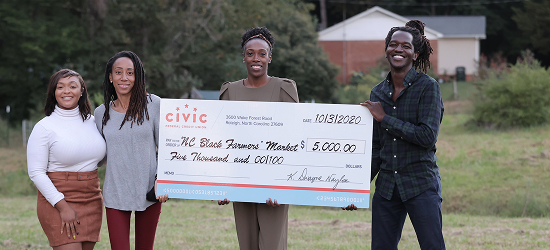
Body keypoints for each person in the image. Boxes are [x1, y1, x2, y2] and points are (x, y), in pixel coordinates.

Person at [359, 20, 446, 249]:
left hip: (420, 184)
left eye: (405, 46)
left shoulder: (428, 87)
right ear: (386, 49)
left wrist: (385, 118)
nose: (399, 49)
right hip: (387, 188)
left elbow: (427, 137)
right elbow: (377, 148)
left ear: (415, 54)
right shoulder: (378, 92)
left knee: (432, 246)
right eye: (393, 44)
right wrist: (355, 187)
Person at [218, 27, 299, 250]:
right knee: (247, 245)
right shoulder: (229, 92)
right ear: (243, 56)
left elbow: (292, 139)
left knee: (272, 246)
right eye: (250, 53)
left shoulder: (284, 89)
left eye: (262, 54)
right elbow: (222, 142)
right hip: (240, 183)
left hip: (274, 185)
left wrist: (281, 185)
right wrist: (221, 186)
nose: (256, 58)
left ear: (270, 57)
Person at [94, 51, 168, 250]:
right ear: (110, 77)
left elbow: (167, 147)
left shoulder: (154, 105)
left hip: (149, 191)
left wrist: (162, 179)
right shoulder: (101, 113)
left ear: (138, 77)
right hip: (116, 192)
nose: (124, 78)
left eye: (130, 72)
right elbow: (98, 154)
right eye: (118, 72)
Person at [27, 69, 106, 250]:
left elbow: (97, 158)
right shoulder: (44, 127)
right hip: (58, 198)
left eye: (72, 86)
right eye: (60, 87)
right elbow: (36, 172)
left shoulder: (93, 122)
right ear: (54, 92)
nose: (66, 91)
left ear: (82, 90)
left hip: (92, 196)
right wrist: (63, 207)